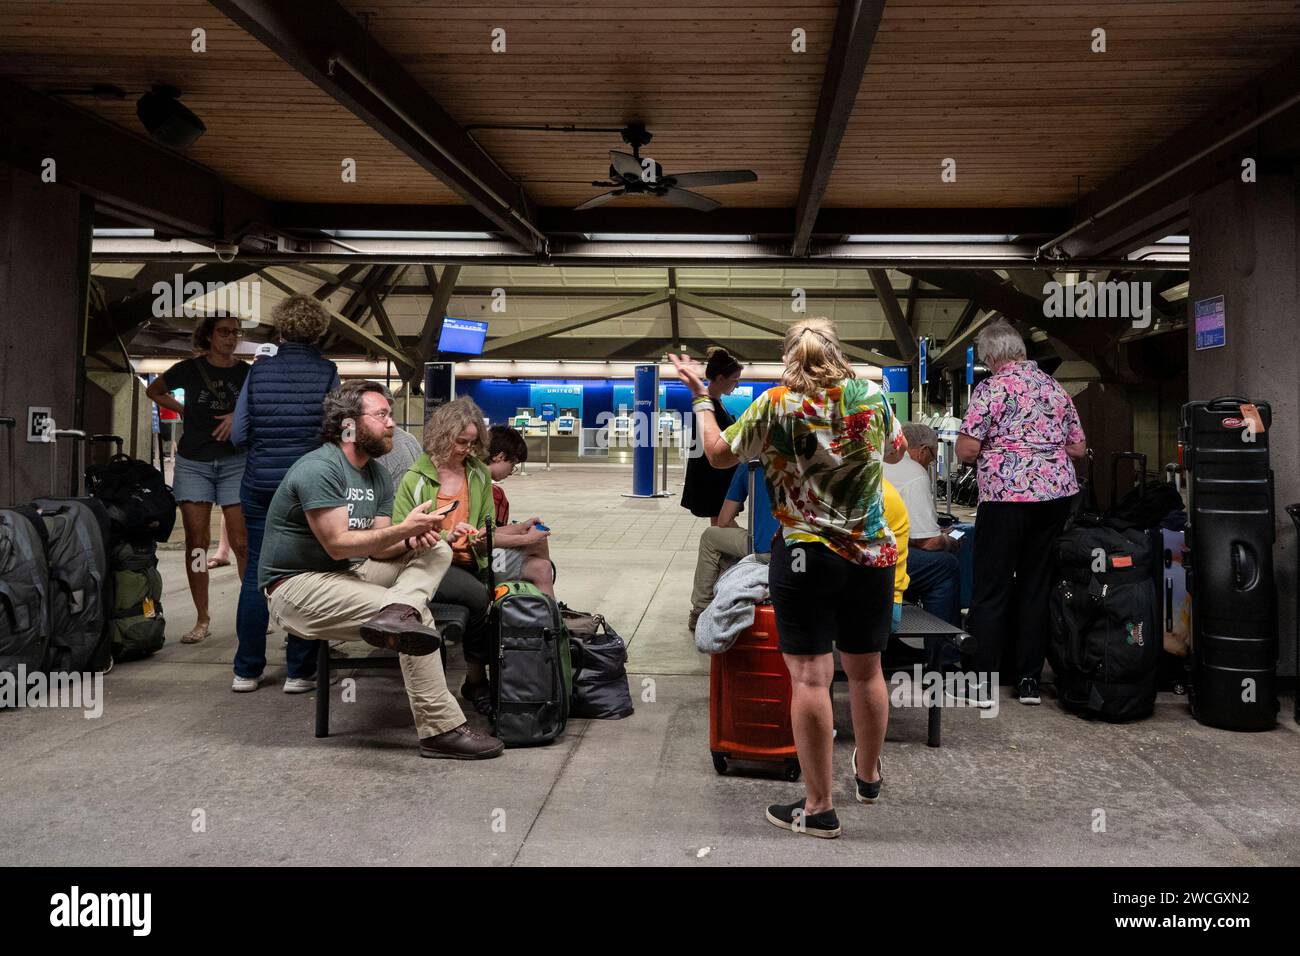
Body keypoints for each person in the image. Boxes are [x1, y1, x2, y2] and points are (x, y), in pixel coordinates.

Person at [671, 316, 907, 840]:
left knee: (810, 678)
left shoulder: (774, 403)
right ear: (836, 351)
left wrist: (701, 399)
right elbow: (896, 451)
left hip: (805, 557)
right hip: (871, 555)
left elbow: (716, 455)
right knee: (867, 673)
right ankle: (867, 777)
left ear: (789, 358)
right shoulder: (871, 396)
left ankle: (820, 807)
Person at [260, 380, 503, 759]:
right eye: (381, 415)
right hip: (297, 587)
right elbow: (336, 543)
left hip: (348, 575)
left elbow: (382, 544)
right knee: (418, 619)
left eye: (390, 415)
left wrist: (412, 538)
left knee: (436, 548)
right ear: (348, 426)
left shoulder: (375, 475)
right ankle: (441, 730)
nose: (392, 423)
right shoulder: (319, 468)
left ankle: (396, 610)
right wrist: (404, 530)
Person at [956, 320, 1086, 706]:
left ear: (992, 356)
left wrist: (1001, 449)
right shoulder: (1054, 387)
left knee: (991, 588)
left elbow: (965, 449)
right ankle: (1029, 680)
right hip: (1054, 498)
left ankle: (982, 682)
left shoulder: (992, 388)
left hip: (1005, 498)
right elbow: (1077, 449)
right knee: (1036, 585)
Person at [393, 399, 535, 718]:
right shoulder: (415, 478)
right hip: (428, 563)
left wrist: (483, 539)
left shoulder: (479, 476)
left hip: (472, 561)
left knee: (509, 586)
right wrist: (447, 537)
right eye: (461, 442)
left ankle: (498, 678)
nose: (467, 449)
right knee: (477, 598)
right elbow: (401, 534)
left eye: (473, 443)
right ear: (443, 436)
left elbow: (488, 526)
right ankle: (476, 681)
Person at [227, 295, 340, 693]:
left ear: (281, 329)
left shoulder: (258, 373)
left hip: (259, 484)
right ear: (319, 331)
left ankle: (247, 670)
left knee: (257, 573)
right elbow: (335, 433)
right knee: (310, 571)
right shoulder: (327, 372)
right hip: (309, 489)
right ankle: (299, 671)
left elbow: (239, 434)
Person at [145, 314, 250, 645]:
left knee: (242, 541)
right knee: (196, 541)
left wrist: (238, 416)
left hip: (235, 460)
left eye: (235, 332)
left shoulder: (246, 372)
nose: (230, 338)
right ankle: (202, 618)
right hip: (194, 463)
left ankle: (251, 614)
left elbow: (260, 403)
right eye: (223, 332)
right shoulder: (187, 369)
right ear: (208, 335)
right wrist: (183, 410)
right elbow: (154, 390)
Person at [884, 423, 962, 630]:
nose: (930, 463)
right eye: (933, 457)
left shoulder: (880, 460)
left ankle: (897, 642)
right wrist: (949, 541)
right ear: (924, 450)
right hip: (879, 559)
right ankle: (944, 652)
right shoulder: (913, 470)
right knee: (946, 566)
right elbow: (927, 542)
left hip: (851, 550)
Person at [208, 344, 279, 571]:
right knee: (232, 502)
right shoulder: (247, 383)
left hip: (262, 452)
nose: (261, 365)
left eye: (266, 361)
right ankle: (223, 550)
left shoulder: (276, 387)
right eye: (258, 360)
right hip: (244, 452)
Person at [688, 461, 778, 631]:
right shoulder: (810, 460)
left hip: (763, 548)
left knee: (710, 536)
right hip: (805, 549)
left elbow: (724, 520)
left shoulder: (751, 464)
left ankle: (701, 609)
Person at [484, 423, 557, 599]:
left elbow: (487, 531)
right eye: (513, 464)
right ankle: (551, 619)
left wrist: (521, 527)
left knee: (542, 568)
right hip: (479, 560)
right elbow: (480, 537)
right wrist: (525, 538)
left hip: (483, 550)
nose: (512, 471)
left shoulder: (481, 481)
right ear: (499, 457)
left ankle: (549, 616)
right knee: (537, 542)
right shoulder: (480, 485)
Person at [680, 347, 744, 525]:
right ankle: (731, 550)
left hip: (717, 473)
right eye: (735, 380)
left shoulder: (715, 403)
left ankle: (723, 551)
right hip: (713, 475)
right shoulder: (709, 406)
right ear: (721, 378)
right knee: (722, 521)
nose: (737, 385)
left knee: (719, 521)